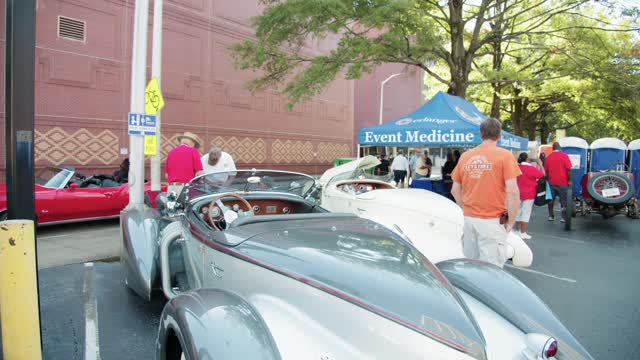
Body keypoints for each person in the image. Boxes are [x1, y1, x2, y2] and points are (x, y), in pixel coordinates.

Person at [451, 118, 521, 267]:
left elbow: (455, 190)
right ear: (500, 135)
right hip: (493, 220)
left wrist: (466, 208)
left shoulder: (465, 156)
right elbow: (513, 192)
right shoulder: (505, 156)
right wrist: (511, 221)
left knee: (472, 264)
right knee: (491, 269)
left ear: (481, 134)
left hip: (470, 219)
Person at [515, 153, 545, 239]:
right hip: (529, 193)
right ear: (527, 159)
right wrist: (540, 164)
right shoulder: (531, 169)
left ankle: (517, 231)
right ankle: (523, 233)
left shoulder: (517, 167)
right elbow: (543, 174)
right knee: (526, 212)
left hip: (517, 193)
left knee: (517, 212)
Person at [544, 142, 573, 223]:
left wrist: (547, 180)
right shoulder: (565, 156)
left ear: (553, 148)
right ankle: (563, 217)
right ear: (560, 148)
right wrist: (570, 180)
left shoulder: (548, 157)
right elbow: (568, 170)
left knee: (550, 199)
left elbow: (546, 171)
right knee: (563, 200)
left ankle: (551, 216)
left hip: (551, 182)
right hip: (562, 182)